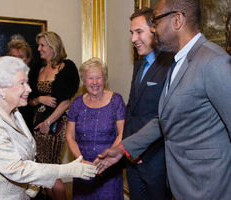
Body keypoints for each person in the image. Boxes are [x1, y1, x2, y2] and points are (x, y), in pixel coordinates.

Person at [94, 0, 231, 199]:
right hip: (180, 184)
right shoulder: (175, 62)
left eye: (155, 20)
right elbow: (164, 119)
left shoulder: (213, 61)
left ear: (177, 20)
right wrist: (122, 149)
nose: (153, 28)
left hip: (209, 187)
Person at [0, 56, 97, 200]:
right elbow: (16, 168)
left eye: (27, 82)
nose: (29, 89)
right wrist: (67, 170)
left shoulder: (13, 111)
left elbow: (27, 152)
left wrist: (31, 185)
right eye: (22, 83)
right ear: (1, 89)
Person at [124, 7, 172, 200]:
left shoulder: (171, 64)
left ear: (155, 30)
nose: (134, 39)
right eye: (131, 33)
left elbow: (166, 117)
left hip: (157, 162)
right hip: (133, 160)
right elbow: (132, 110)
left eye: (139, 32)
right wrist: (129, 147)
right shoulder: (139, 64)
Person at [28, 31, 80, 200]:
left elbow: (66, 101)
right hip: (37, 126)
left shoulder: (67, 67)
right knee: (43, 172)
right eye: (39, 45)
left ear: (53, 46)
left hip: (55, 125)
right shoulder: (38, 68)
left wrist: (48, 122)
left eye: (43, 45)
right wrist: (39, 99)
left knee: (51, 172)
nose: (39, 49)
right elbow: (29, 100)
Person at [66, 57, 125, 200]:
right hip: (83, 168)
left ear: (104, 79)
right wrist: (80, 160)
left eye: (98, 77)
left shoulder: (116, 101)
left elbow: (122, 133)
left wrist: (109, 157)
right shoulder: (76, 103)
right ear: (84, 80)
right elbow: (70, 136)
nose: (94, 82)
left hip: (109, 166)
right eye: (90, 78)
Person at [7, 39, 34, 130]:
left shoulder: (34, 75)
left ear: (28, 59)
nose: (17, 60)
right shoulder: (3, 76)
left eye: (21, 56)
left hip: (30, 118)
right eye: (14, 56)